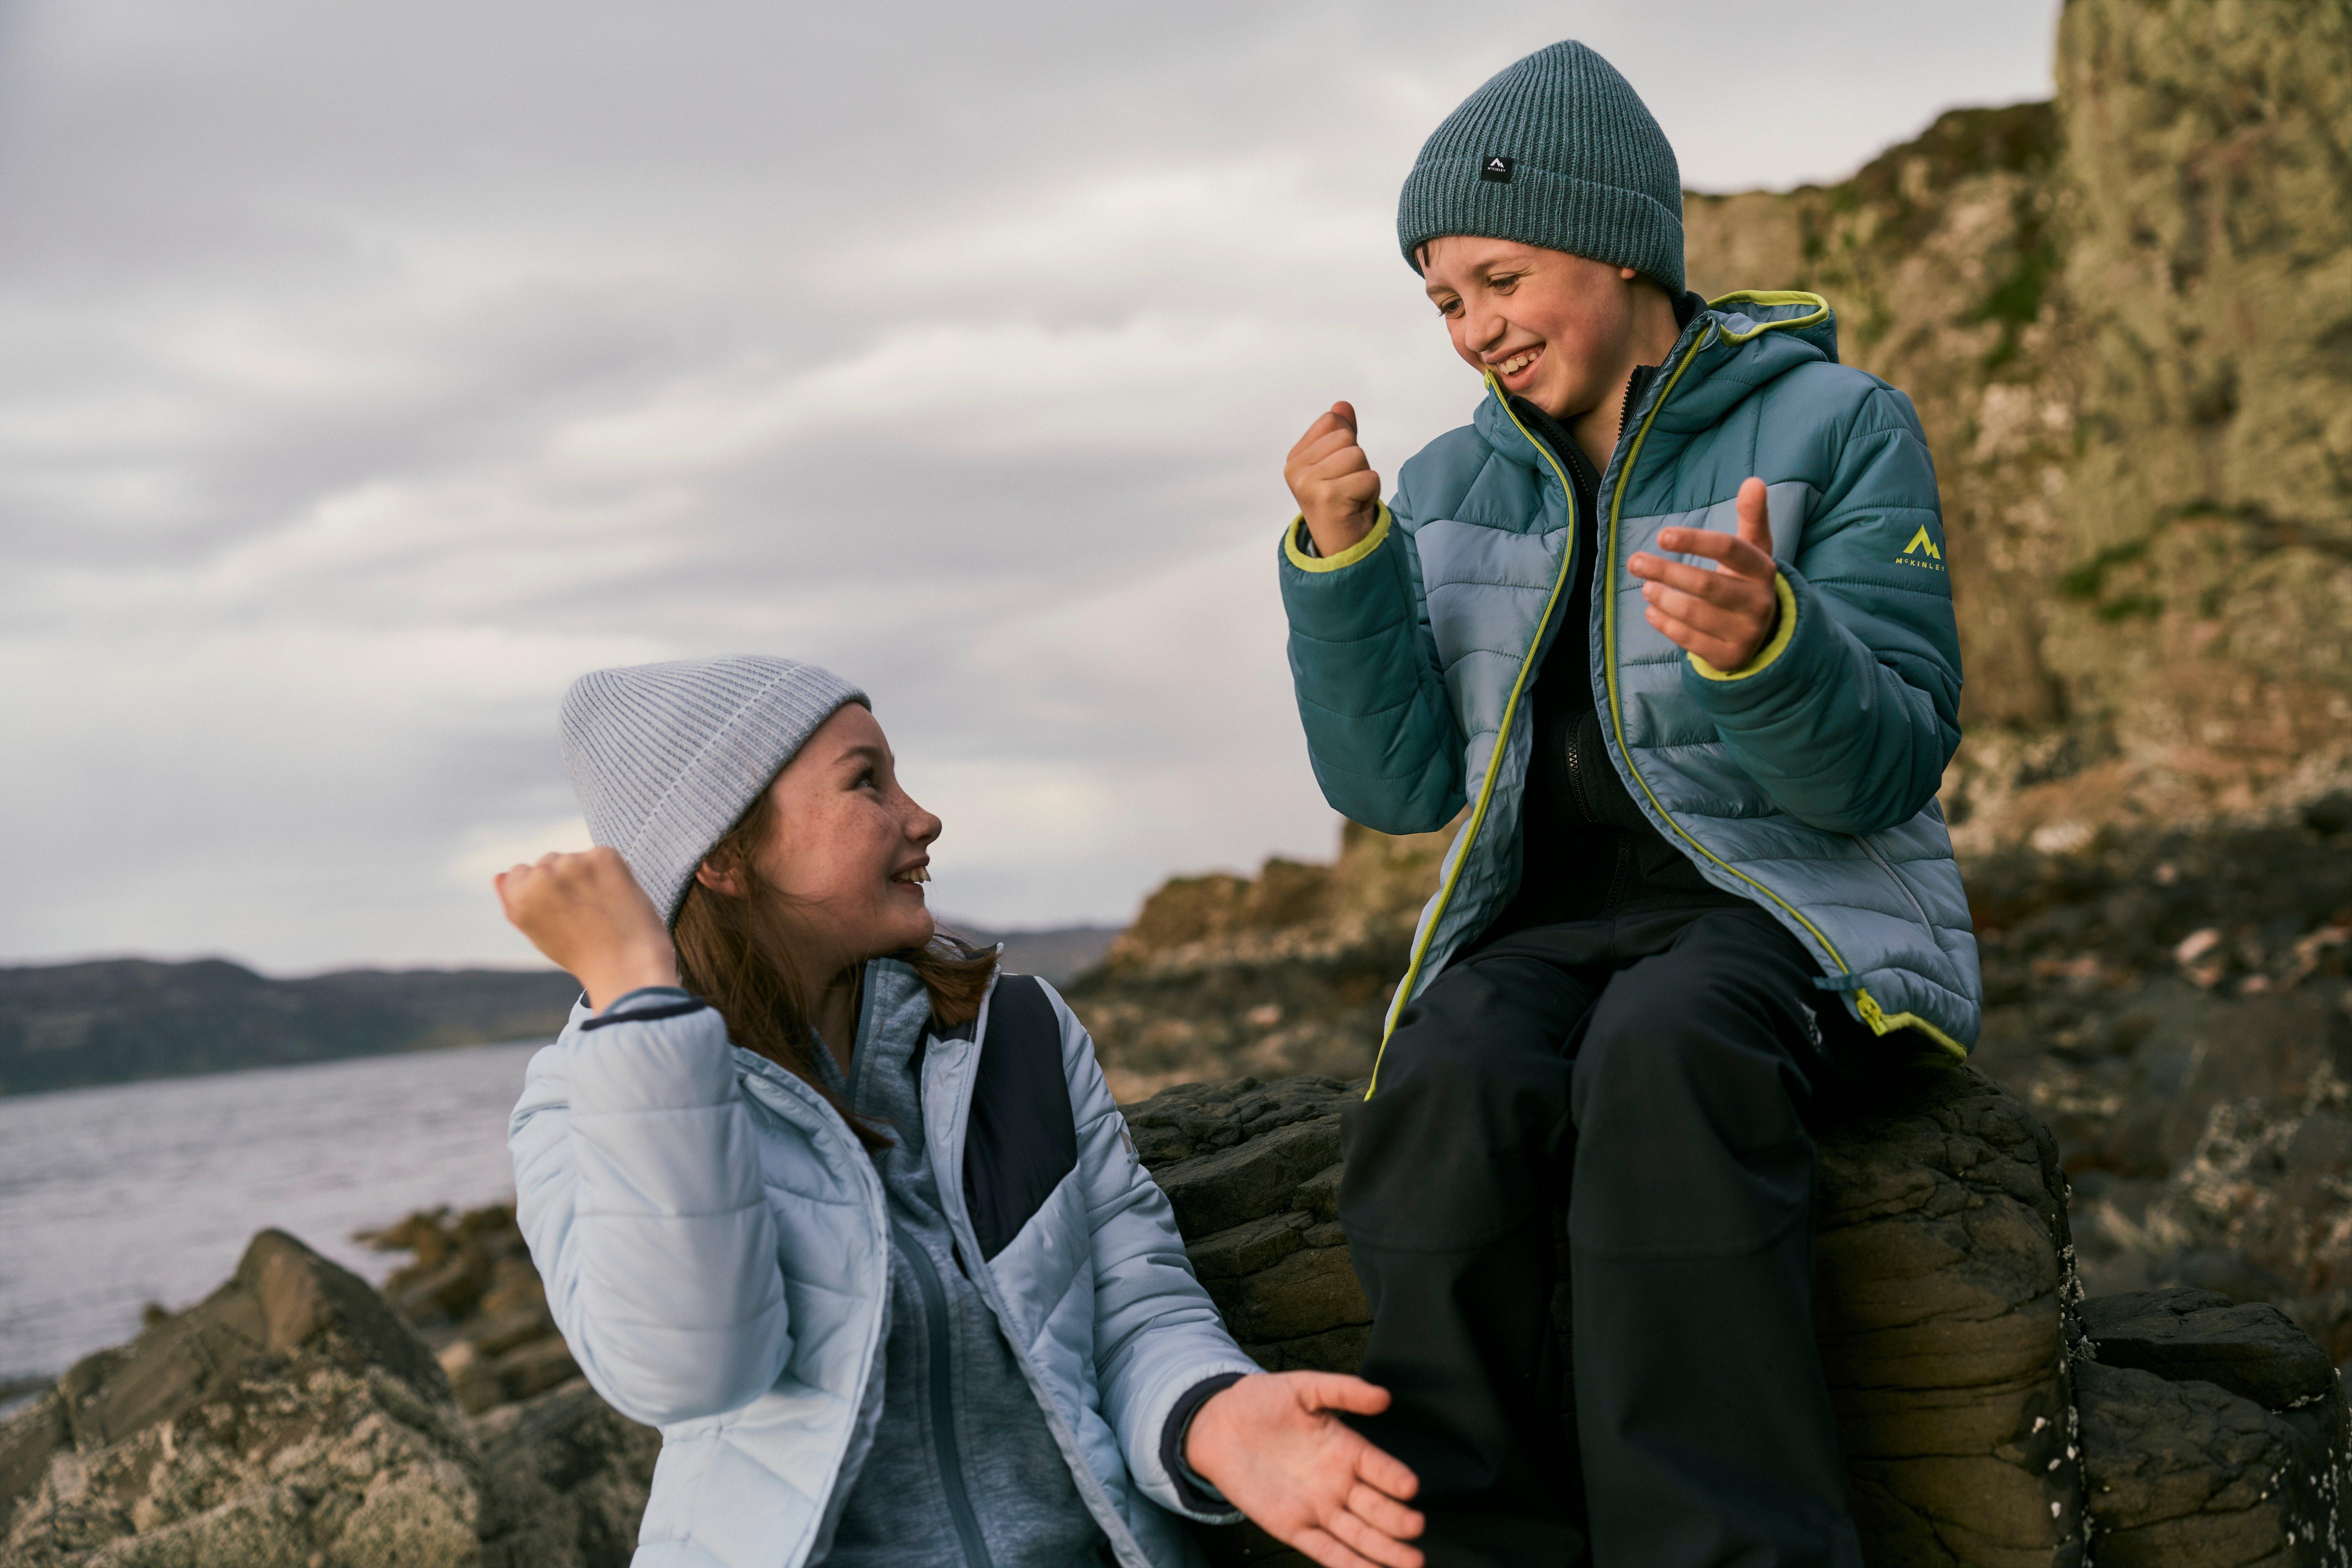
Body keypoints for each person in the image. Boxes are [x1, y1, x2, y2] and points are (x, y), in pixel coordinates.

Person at [1274, 39, 1981, 1568]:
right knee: (1448, 1072)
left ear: (1621, 248)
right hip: (1545, 927)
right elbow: (1395, 787)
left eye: (1502, 279)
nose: (1474, 329)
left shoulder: (1839, 424)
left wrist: (1770, 649)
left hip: (1779, 909)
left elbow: (1887, 763)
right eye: (1443, 302)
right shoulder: (1452, 486)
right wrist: (1341, 565)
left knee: (1665, 1054)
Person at [497, 655, 1427, 1568]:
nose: (923, 817)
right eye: (866, 782)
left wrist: (1211, 1416)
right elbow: (698, 1370)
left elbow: (1130, 1304)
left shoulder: (1015, 1033)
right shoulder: (589, 1099)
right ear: (724, 857)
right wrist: (640, 1011)